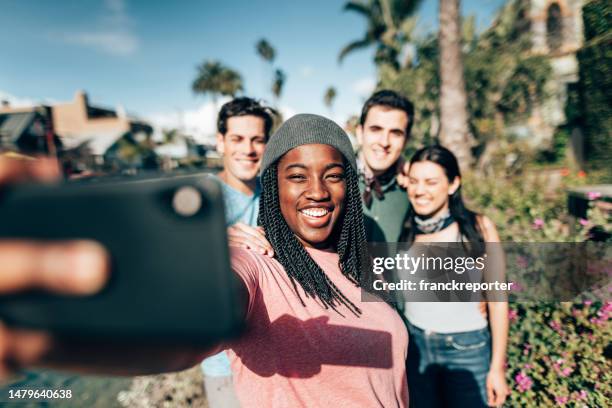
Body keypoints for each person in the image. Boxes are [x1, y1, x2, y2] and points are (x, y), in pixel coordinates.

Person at [212, 113, 408, 406]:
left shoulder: (359, 265)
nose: (317, 191)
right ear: (273, 188)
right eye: (297, 176)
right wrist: (207, 256)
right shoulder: (258, 262)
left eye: (333, 175)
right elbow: (195, 317)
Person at [400, 145, 509, 408]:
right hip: (416, 351)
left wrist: (497, 369)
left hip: (467, 349)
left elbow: (498, 300)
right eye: (414, 181)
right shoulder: (404, 229)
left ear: (453, 184)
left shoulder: (477, 228)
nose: (419, 190)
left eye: (431, 182)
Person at [202, 97, 275, 407]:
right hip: (223, 364)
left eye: (258, 140)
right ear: (220, 142)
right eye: (238, 139)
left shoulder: (277, 194)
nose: (248, 149)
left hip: (276, 355)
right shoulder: (198, 198)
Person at [356, 90, 414, 243]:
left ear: (406, 140)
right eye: (376, 129)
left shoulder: (412, 189)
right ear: (360, 133)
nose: (384, 142)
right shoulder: (332, 182)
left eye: (396, 133)